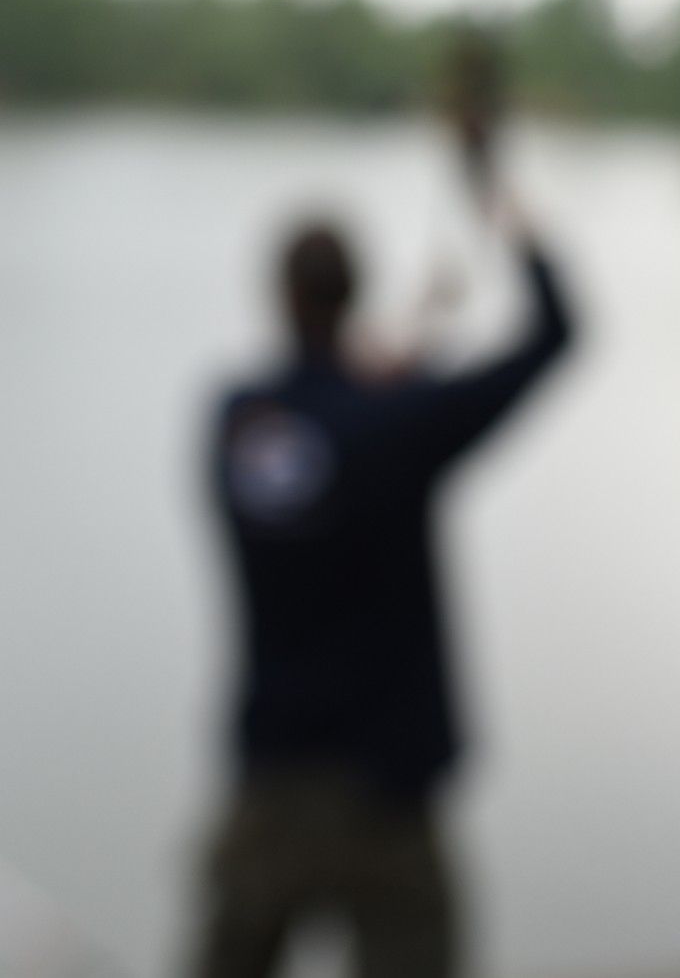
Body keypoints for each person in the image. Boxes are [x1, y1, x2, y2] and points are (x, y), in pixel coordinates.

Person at [189, 199, 577, 978]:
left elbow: (332, 409)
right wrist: (508, 211)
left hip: (270, 788)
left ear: (280, 297)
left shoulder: (237, 423)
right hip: (391, 801)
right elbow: (553, 336)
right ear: (356, 297)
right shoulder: (403, 426)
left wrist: (396, 356)